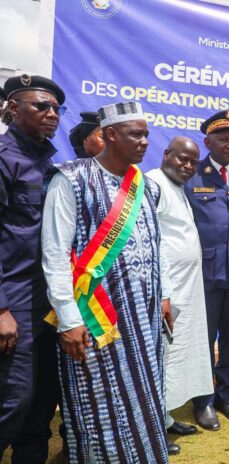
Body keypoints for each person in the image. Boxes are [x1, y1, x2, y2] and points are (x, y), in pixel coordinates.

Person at [42, 101, 168, 462]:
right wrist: (69, 319)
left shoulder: (146, 186)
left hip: (142, 317)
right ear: (111, 134)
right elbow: (54, 252)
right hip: (94, 316)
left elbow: (157, 245)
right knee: (99, 402)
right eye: (135, 134)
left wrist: (165, 296)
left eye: (146, 134)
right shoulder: (71, 179)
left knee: (144, 395)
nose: (144, 142)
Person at [0, 74, 64, 463]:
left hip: (49, 301)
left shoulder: (49, 163)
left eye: (56, 108)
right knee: (13, 399)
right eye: (41, 105)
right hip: (15, 301)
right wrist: (1, 309)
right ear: (12, 109)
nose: (51, 113)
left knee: (43, 401)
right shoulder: (4, 159)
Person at [184, 111, 229, 430]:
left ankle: (226, 395)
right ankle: (203, 401)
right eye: (224, 139)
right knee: (203, 339)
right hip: (204, 274)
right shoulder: (192, 177)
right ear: (208, 142)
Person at [146, 137, 213, 455]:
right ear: (166, 154)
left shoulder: (177, 187)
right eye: (182, 159)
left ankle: (166, 416)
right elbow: (151, 242)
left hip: (187, 290)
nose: (187, 166)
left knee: (178, 355)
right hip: (168, 293)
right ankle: (153, 426)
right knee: (162, 359)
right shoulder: (152, 184)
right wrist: (163, 294)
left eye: (192, 162)